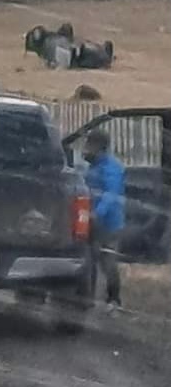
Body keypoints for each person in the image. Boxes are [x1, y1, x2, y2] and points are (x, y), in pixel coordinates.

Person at [83, 129, 125, 309]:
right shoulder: (92, 167)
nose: (86, 150)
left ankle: (114, 300)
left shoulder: (112, 168)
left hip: (109, 224)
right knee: (89, 260)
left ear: (100, 147)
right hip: (91, 222)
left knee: (108, 261)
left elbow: (111, 194)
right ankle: (88, 298)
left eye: (89, 145)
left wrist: (97, 213)